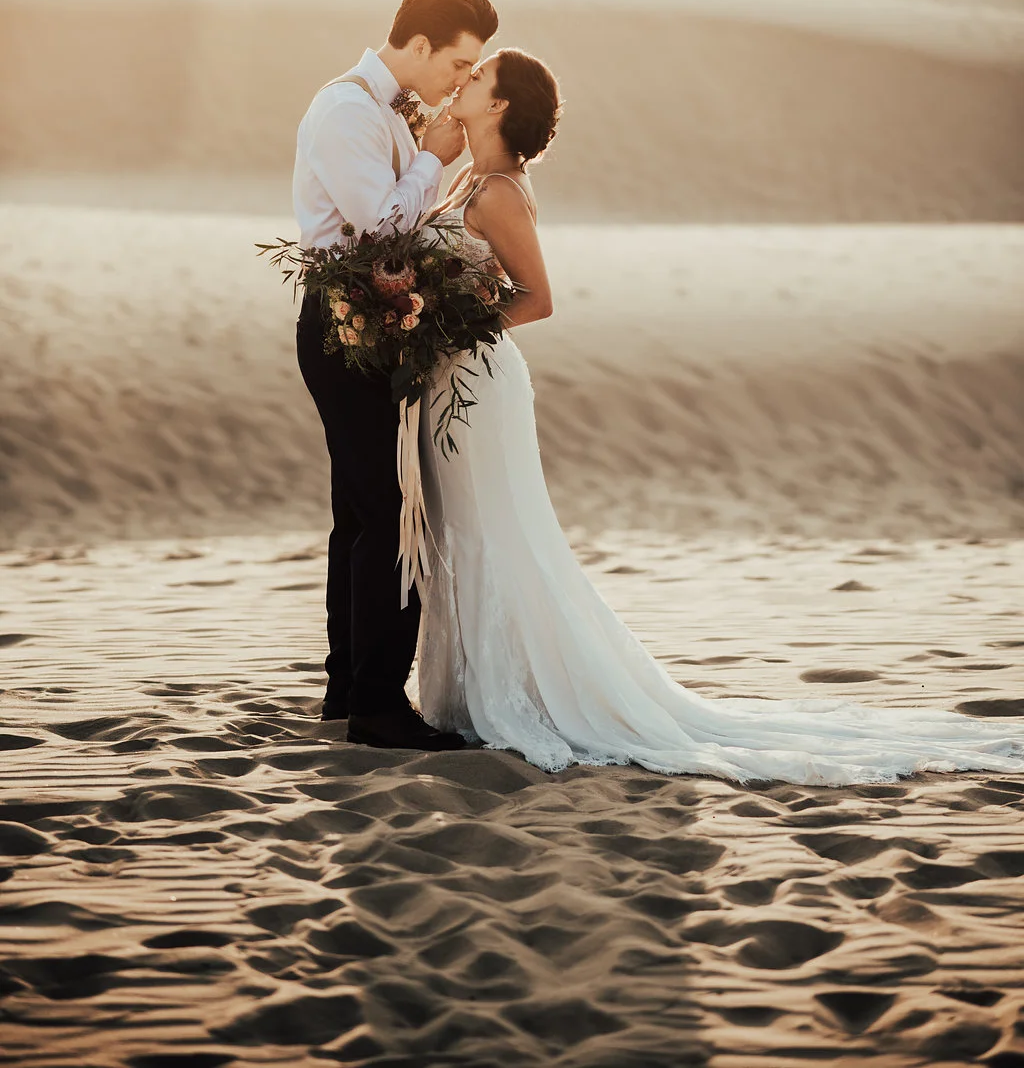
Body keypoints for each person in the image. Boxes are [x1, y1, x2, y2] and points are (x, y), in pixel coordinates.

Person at [415, 49, 1024, 786]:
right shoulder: (465, 177)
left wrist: (453, 330)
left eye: (478, 78)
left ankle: (513, 696)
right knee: (458, 527)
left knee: (496, 530)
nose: (465, 79)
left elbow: (538, 298)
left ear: (503, 106)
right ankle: (468, 690)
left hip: (479, 386)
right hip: (446, 382)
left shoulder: (503, 192)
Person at [293, 0, 497, 751]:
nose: (459, 82)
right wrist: (434, 158)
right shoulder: (347, 109)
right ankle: (377, 705)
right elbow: (379, 230)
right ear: (417, 45)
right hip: (343, 323)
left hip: (367, 323)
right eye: (458, 63)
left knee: (362, 512)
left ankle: (349, 692)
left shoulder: (385, 111)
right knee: (387, 514)